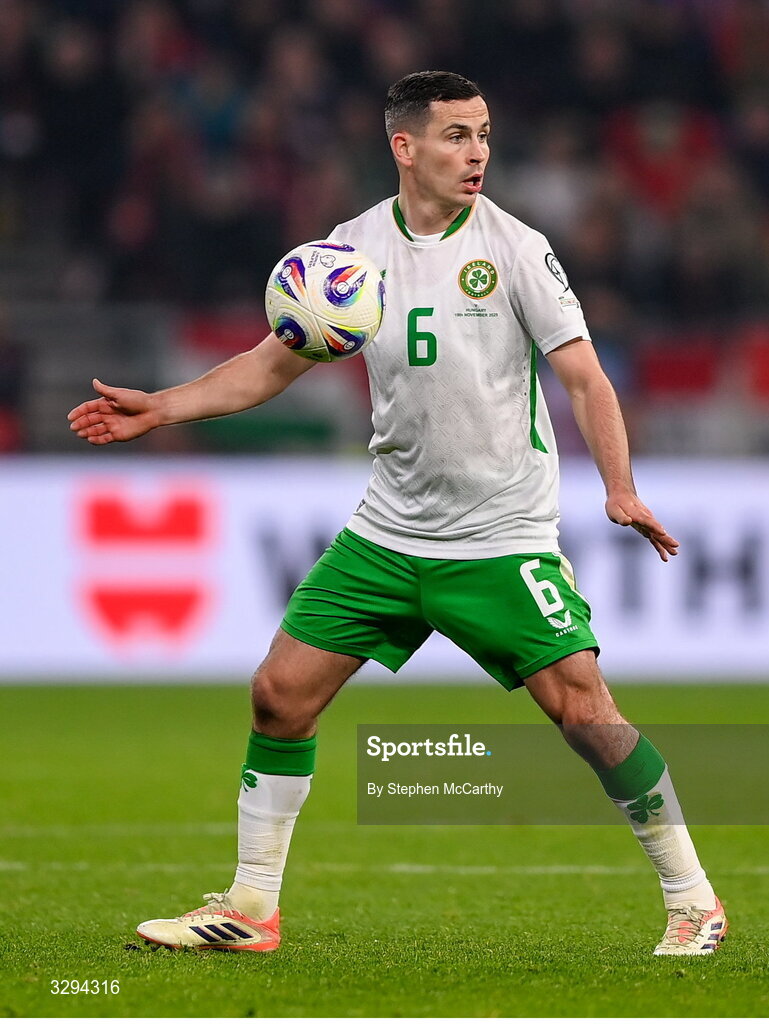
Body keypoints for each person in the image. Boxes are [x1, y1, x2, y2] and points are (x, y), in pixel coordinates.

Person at [68, 71, 727, 957]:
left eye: (484, 132)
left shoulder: (517, 248)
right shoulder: (349, 247)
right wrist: (164, 407)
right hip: (387, 532)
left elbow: (583, 377)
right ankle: (252, 909)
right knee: (279, 696)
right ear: (404, 146)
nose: (478, 151)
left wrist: (617, 485)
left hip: (497, 533)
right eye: (456, 135)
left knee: (586, 717)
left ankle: (693, 899)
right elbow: (272, 365)